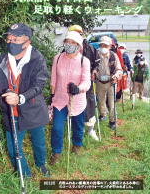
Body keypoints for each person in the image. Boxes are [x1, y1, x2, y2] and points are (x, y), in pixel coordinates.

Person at [0, 23, 50, 178]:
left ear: (27, 42)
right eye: (9, 39)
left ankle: (41, 164)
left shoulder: (37, 59)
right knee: (13, 147)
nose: (11, 43)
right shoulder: (1, 61)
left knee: (38, 141)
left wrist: (20, 97)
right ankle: (25, 175)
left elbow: (39, 84)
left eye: (15, 39)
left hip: (33, 108)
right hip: (11, 111)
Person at [50, 31, 91, 165]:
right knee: (57, 128)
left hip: (77, 100)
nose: (70, 44)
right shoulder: (57, 59)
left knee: (78, 126)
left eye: (73, 43)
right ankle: (56, 153)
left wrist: (78, 88)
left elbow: (87, 82)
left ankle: (77, 146)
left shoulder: (84, 61)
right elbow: (54, 80)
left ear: (79, 46)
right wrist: (52, 95)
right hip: (60, 99)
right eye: (68, 41)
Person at [68, 25, 100, 141]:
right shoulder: (67, 48)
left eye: (79, 34)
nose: (77, 36)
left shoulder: (90, 49)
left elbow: (97, 62)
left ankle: (91, 129)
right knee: (74, 104)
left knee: (90, 103)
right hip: (73, 83)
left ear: (82, 35)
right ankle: (76, 129)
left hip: (87, 82)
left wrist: (94, 71)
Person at [96, 36, 123, 130]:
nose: (103, 47)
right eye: (101, 45)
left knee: (112, 103)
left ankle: (112, 121)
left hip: (110, 83)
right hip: (99, 82)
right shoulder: (95, 55)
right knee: (101, 100)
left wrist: (116, 76)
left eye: (105, 45)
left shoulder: (113, 56)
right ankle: (103, 115)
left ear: (110, 46)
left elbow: (119, 70)